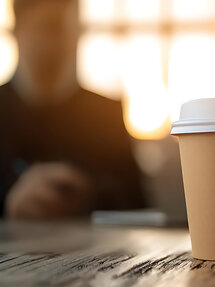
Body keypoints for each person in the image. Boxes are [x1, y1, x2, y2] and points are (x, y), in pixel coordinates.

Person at [0, 0, 145, 219]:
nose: (54, 41)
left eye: (66, 28)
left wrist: (90, 198)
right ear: (17, 31)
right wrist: (9, 204)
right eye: (46, 27)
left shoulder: (106, 113)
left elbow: (138, 202)